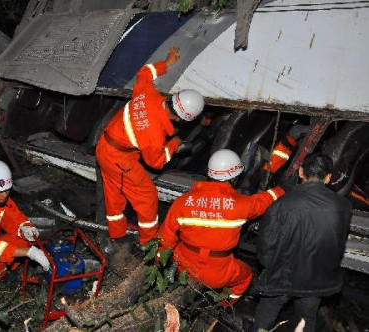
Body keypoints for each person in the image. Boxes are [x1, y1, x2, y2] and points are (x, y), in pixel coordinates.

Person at [95, 47, 205, 253]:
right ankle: (148, 243)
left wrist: (166, 63)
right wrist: (174, 144)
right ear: (182, 119)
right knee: (147, 195)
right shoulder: (155, 134)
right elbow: (156, 162)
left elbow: (144, 73)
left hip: (105, 145)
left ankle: (117, 235)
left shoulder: (149, 94)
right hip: (119, 158)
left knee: (114, 193)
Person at [158, 149, 284, 306]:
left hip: (183, 265)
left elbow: (165, 239)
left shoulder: (183, 202)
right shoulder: (241, 205)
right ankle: (222, 305)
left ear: (210, 174)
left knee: (175, 244)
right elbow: (263, 201)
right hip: (217, 274)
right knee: (245, 277)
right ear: (234, 178)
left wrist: (158, 266)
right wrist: (281, 190)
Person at [252, 153, 352, 332]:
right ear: (328, 178)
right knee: (307, 320)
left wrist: (271, 267)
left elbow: (266, 246)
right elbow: (337, 244)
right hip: (316, 279)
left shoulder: (281, 204)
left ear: (300, 172)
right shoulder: (343, 206)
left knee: (264, 317)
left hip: (282, 278)